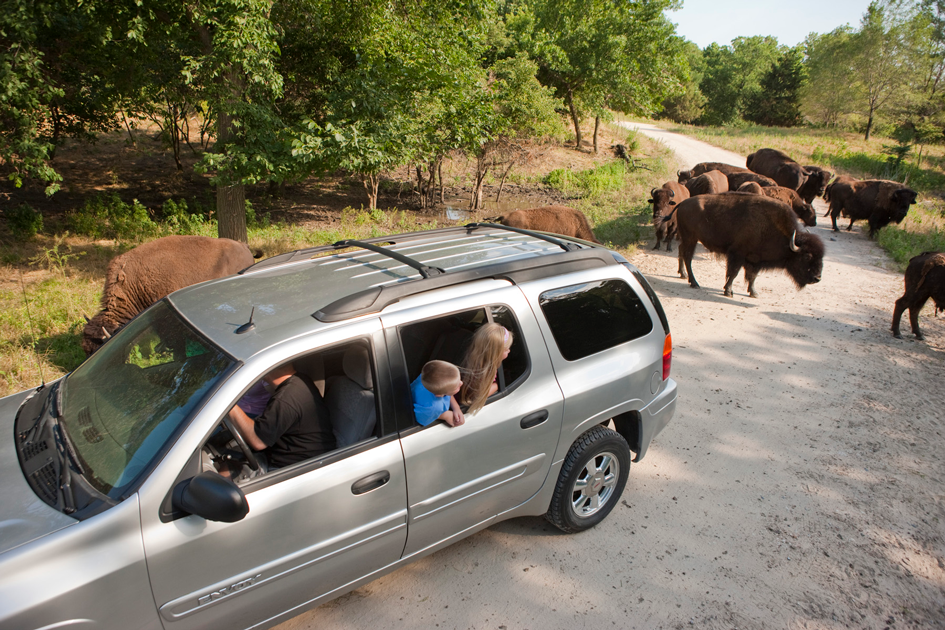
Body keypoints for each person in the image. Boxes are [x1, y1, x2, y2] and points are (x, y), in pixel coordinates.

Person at [226, 362, 335, 472]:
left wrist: (228, 404)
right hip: (300, 456)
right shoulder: (300, 380)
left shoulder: (286, 398)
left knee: (226, 467)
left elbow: (258, 441)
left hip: (295, 468)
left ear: (267, 368)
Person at [460, 322, 513, 415]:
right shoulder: (485, 372)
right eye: (506, 349)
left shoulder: (471, 358)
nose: (509, 351)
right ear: (495, 353)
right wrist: (499, 384)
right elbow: (479, 395)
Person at [410, 360, 465, 427]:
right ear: (439, 395)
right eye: (456, 387)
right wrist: (445, 415)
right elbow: (423, 418)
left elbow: (447, 393)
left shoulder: (427, 378)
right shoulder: (433, 407)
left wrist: (456, 408)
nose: (461, 383)